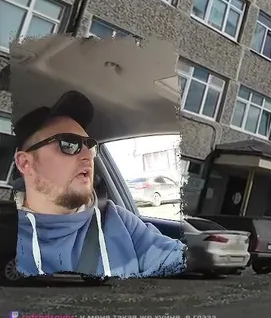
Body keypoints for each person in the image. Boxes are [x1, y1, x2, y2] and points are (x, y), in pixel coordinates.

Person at [12, 91, 185, 280]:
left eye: (90, 146)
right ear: (25, 163)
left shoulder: (117, 220)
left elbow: (178, 259)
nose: (88, 155)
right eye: (69, 144)